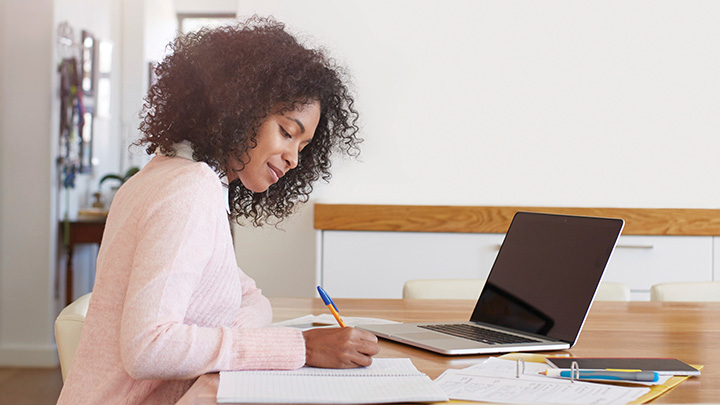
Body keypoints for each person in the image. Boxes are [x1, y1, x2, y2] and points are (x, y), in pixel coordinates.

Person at [57, 16, 379, 404]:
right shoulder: (187, 190)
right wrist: (302, 348)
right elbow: (148, 348)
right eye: (287, 132)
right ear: (240, 108)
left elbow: (251, 297)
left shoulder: (171, 178)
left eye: (303, 147)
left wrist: (232, 334)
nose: (294, 158)